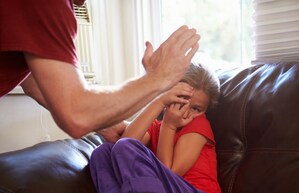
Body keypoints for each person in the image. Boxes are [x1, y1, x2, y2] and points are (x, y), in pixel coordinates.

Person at [0, 0, 200, 140]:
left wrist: (105, 123)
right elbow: (77, 116)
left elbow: (35, 85)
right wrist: (158, 78)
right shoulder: (47, 4)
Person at [89, 62, 223, 193]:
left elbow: (171, 171)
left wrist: (169, 125)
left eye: (196, 109)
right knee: (103, 152)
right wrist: (158, 101)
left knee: (124, 146)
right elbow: (124, 145)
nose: (185, 112)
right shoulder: (157, 126)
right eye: (181, 101)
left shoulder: (199, 125)